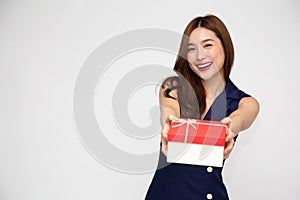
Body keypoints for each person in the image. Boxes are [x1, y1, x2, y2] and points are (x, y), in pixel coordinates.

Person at [145, 14, 259, 200]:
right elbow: (169, 110)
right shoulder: (173, 87)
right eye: (191, 49)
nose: (200, 56)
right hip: (164, 194)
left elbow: (241, 118)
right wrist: (168, 122)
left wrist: (229, 128)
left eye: (208, 45)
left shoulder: (243, 102)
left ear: (225, 47)